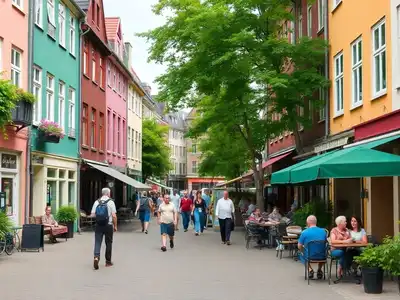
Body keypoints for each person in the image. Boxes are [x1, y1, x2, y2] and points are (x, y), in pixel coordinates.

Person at [90, 187, 117, 270]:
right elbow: (114, 216)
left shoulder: (97, 202)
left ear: (102, 193)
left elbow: (93, 214)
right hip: (108, 225)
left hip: (98, 225)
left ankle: (96, 257)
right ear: (109, 194)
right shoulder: (111, 202)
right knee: (108, 242)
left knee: (97, 242)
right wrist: (115, 225)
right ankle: (108, 262)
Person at [298, 215, 327, 279]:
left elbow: (299, 246)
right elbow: (326, 243)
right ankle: (319, 269)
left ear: (307, 222)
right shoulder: (323, 231)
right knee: (323, 250)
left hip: (309, 256)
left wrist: (303, 251)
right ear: (316, 222)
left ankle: (310, 270)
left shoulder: (304, 232)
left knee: (299, 253)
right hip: (322, 256)